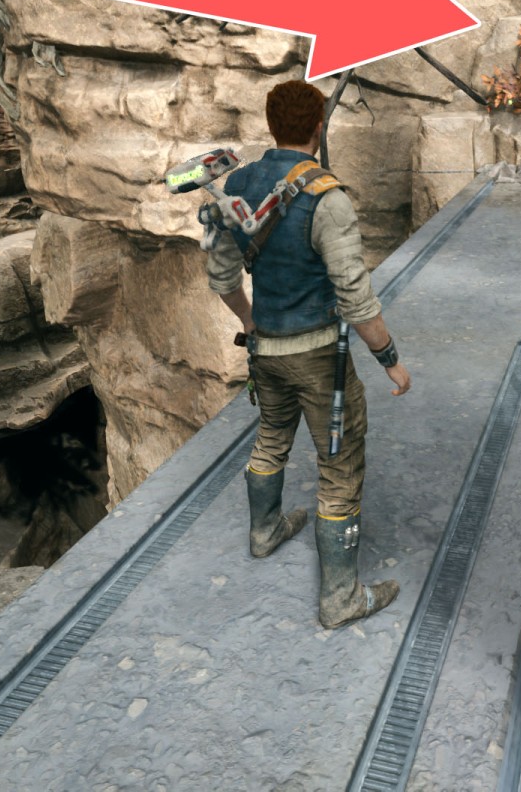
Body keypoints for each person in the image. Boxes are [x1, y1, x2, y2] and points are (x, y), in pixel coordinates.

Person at [206, 80, 412, 629]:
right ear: (319, 128)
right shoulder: (327, 197)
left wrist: (251, 323)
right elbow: (355, 297)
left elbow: (222, 276)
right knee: (339, 466)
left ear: (272, 125)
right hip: (321, 358)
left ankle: (264, 531)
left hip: (266, 351)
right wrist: (390, 359)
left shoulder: (235, 186)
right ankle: (340, 599)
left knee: (272, 435)